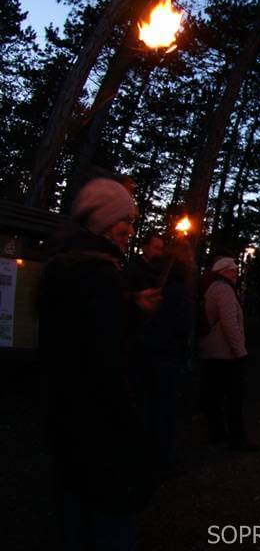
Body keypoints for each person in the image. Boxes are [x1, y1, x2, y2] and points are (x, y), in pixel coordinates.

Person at [40, 177, 160, 550]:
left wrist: (129, 306)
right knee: (108, 517)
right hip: (98, 422)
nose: (129, 232)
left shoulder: (64, 268)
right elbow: (104, 359)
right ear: (104, 222)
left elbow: (77, 329)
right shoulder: (100, 275)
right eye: (124, 223)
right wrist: (130, 428)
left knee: (75, 505)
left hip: (65, 416)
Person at [142, 239, 194, 478]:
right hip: (166, 354)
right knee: (163, 409)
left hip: (151, 352)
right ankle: (161, 459)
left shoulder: (157, 282)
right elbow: (182, 327)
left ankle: (151, 454)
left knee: (153, 406)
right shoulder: (177, 290)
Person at [199, 257, 260, 452]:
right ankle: (237, 439)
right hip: (225, 354)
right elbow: (229, 324)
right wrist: (240, 351)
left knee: (215, 397)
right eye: (233, 271)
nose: (236, 274)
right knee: (234, 398)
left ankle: (217, 434)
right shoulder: (224, 291)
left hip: (212, 352)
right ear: (224, 271)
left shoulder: (212, 288)